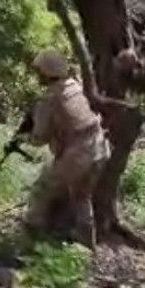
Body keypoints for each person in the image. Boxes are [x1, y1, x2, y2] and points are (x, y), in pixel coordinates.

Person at [17, 50, 110, 247]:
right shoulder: (75, 86)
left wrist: (24, 137)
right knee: (81, 197)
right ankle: (87, 244)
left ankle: (31, 242)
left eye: (38, 71)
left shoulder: (49, 99)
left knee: (41, 191)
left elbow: (39, 138)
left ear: (45, 72)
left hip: (78, 155)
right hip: (99, 148)